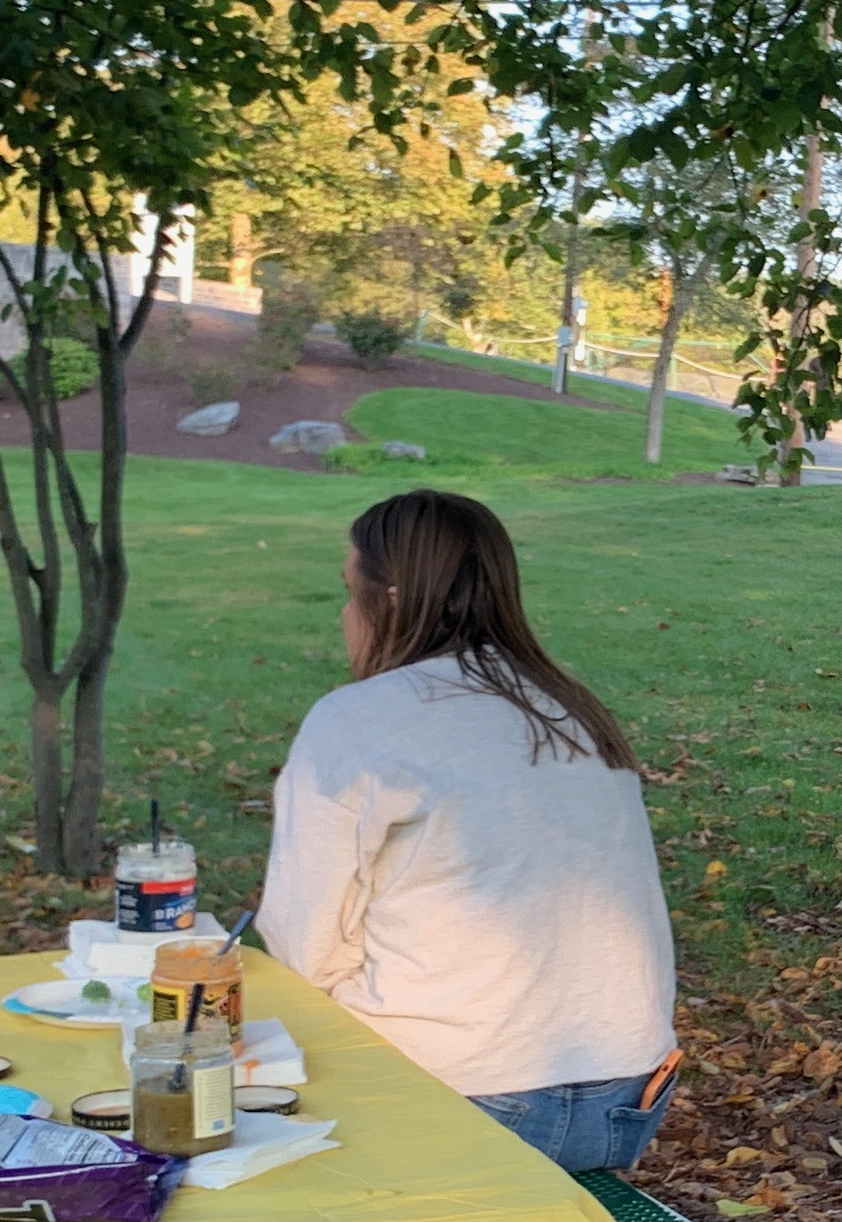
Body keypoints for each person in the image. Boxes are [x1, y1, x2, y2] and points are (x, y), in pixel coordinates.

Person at [259, 489, 680, 1172]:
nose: (341, 615)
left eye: (347, 589)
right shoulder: (571, 708)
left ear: (389, 600)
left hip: (462, 1097)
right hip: (626, 1094)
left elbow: (304, 950)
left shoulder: (358, 719)